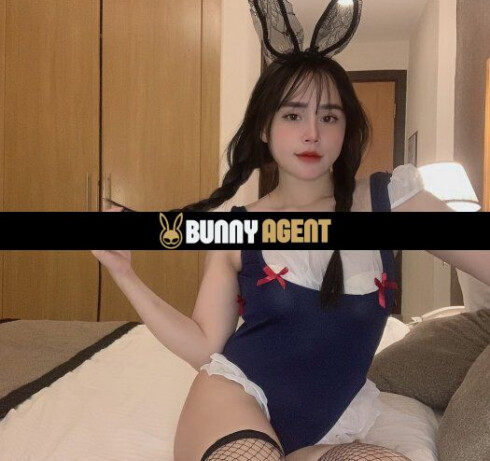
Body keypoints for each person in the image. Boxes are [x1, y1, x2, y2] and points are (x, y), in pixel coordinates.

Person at [92, 2, 490, 460]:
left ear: (346, 129)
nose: (312, 133)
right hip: (237, 399)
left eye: (329, 117)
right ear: (265, 127)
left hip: (332, 424)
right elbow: (204, 344)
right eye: (293, 115)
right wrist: (125, 275)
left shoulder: (390, 200)